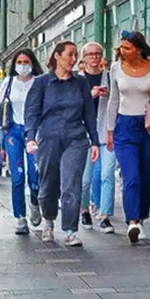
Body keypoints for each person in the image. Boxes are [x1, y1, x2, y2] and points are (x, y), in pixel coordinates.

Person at [23, 41, 100, 247]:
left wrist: (95, 141)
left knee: (71, 184)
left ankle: (70, 230)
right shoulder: (42, 83)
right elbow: (32, 113)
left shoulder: (81, 82)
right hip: (48, 138)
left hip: (76, 138)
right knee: (48, 183)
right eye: (70, 55)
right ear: (57, 56)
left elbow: (89, 114)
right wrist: (30, 137)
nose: (74, 60)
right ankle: (48, 222)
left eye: (76, 55)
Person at [107, 30, 150, 243]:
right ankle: (132, 221)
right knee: (130, 175)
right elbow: (113, 100)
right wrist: (110, 130)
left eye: (127, 48)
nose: (122, 52)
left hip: (149, 126)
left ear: (139, 49)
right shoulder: (116, 69)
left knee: (147, 175)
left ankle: (141, 219)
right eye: (121, 47)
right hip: (124, 126)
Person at [0, 49, 43, 234]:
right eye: (19, 62)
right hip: (13, 131)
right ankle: (20, 217)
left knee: (35, 174)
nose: (23, 65)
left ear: (32, 63)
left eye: (26, 61)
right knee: (17, 175)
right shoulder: (8, 82)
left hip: (34, 132)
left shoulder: (39, 82)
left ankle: (35, 201)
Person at [80, 41, 116, 234]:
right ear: (84, 58)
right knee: (85, 179)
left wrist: (110, 96)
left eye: (97, 54)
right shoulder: (77, 80)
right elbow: (71, 106)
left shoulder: (109, 78)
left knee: (107, 174)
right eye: (90, 54)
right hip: (84, 135)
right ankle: (84, 209)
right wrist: (89, 95)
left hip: (107, 132)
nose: (94, 57)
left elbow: (119, 101)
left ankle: (105, 215)